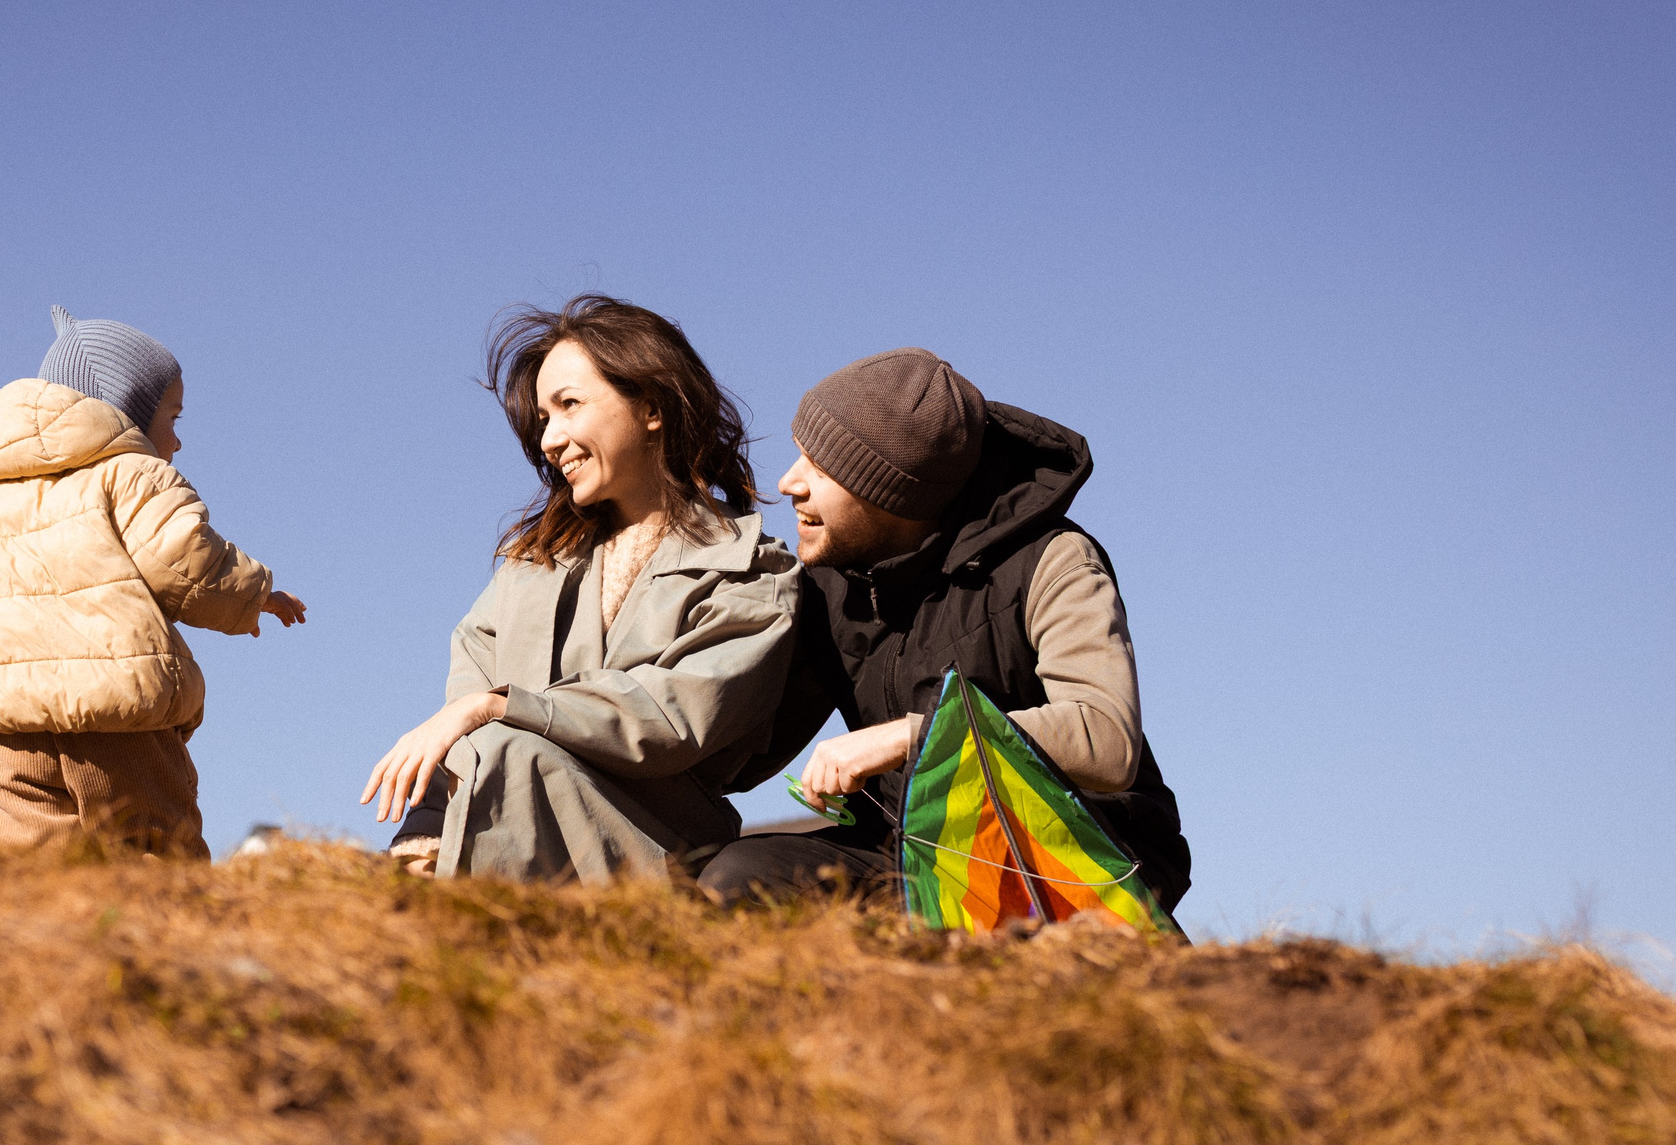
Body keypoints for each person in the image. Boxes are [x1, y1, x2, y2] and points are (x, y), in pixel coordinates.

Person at [698, 348, 1190, 913]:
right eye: (797, 455)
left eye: (821, 467)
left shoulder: (1053, 560)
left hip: (1070, 853)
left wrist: (905, 738)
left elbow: (1106, 740)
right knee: (738, 879)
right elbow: (745, 754)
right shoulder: (828, 586)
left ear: (891, 491)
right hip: (907, 852)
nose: (788, 483)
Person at [363, 296, 800, 882]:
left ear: (651, 407)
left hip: (659, 849)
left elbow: (672, 719)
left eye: (569, 405)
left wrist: (501, 704)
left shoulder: (750, 571)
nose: (550, 438)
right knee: (500, 761)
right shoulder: (529, 565)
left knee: (514, 755)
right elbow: (471, 698)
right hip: (502, 820)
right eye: (544, 417)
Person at [0, 307, 306, 856]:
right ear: (128, 412)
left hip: (10, 738)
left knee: (24, 867)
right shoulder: (131, 475)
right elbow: (183, 559)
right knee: (155, 854)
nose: (178, 439)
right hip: (120, 725)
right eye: (174, 416)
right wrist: (255, 593)